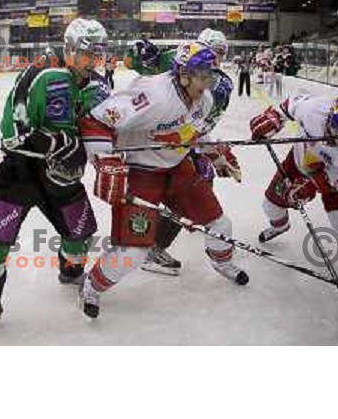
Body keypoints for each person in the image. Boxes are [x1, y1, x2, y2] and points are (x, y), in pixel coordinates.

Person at [78, 42, 248, 319]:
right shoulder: (153, 95)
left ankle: (223, 263)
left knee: (220, 223)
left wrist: (216, 155)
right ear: (183, 74)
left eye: (210, 75)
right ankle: (92, 286)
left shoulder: (203, 99)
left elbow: (193, 133)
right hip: (140, 173)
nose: (208, 83)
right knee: (133, 252)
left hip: (177, 167)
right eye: (203, 76)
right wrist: (104, 161)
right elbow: (95, 121)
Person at [0, 18, 110, 332]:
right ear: (70, 49)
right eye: (88, 53)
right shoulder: (45, 72)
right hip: (20, 171)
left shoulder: (97, 83)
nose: (94, 61)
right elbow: (13, 134)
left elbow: (97, 127)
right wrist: (60, 142)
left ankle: (71, 274)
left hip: (63, 176)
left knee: (80, 235)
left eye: (98, 54)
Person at [141, 27, 236, 275]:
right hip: (168, 142)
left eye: (217, 54)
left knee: (197, 189)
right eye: (208, 52)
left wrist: (213, 152)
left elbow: (202, 125)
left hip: (187, 140)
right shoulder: (180, 60)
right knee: (183, 193)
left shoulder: (220, 85)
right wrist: (147, 60)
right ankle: (153, 244)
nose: (212, 60)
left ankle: (177, 228)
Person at [250, 94, 338, 282]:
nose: (337, 140)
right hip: (298, 160)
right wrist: (274, 118)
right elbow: (290, 104)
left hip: (330, 176)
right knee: (270, 205)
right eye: (335, 130)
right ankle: (281, 226)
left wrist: (308, 188)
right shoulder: (314, 109)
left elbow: (331, 185)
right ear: (330, 116)